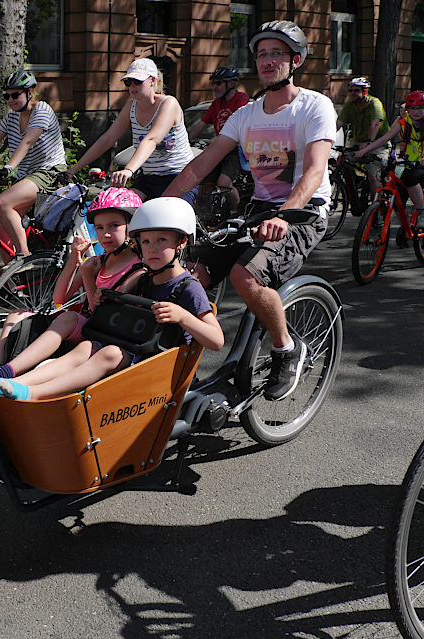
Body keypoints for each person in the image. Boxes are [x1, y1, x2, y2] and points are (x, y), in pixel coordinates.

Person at [162, 20, 335, 401]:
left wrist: (284, 216)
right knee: (192, 274)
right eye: (261, 54)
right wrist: (158, 207)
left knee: (245, 276)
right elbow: (200, 164)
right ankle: (172, 364)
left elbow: (314, 170)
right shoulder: (246, 115)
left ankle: (285, 348)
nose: (267, 60)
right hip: (259, 208)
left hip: (303, 212)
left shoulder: (314, 106)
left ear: (296, 60)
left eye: (276, 53)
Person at [0, 197, 223, 401]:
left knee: (110, 353)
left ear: (181, 242)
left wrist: (183, 316)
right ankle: (14, 382)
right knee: (86, 347)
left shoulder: (188, 288)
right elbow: (109, 310)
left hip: (158, 363)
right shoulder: (145, 279)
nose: (152, 248)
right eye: (146, 241)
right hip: (135, 348)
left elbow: (217, 341)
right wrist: (104, 295)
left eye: (161, 240)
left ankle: (34, 393)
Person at [0, 187, 145, 371]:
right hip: (83, 328)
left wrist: (88, 277)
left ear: (131, 228)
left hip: (99, 334)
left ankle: (10, 371)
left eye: (114, 226)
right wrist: (74, 260)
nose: (105, 233)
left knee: (69, 317)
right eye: (99, 227)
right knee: (16, 315)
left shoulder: (136, 269)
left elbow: (101, 315)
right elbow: (59, 299)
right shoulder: (97, 261)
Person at [0, 69, 66, 260]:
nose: (10, 100)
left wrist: (8, 167)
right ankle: (12, 285)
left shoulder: (42, 110)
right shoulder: (12, 117)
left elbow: (28, 141)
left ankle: (25, 259)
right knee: (1, 232)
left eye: (15, 95)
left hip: (49, 172)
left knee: (2, 202)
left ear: (29, 93)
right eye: (6, 96)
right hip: (27, 176)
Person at [64, 58, 198, 204]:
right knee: (118, 207)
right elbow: (107, 139)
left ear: (152, 80)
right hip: (149, 178)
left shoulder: (169, 103)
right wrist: (73, 170)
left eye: (138, 81)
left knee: (163, 216)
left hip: (179, 176)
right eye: (128, 82)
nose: (132, 86)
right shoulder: (131, 107)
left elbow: (152, 140)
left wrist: (129, 170)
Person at [356, 90, 424, 228]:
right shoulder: (403, 122)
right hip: (408, 163)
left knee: (410, 178)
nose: (416, 112)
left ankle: (422, 214)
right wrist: (364, 150)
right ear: (407, 109)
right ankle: (406, 228)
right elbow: (385, 138)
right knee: (396, 194)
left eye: (420, 108)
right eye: (412, 108)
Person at [188, 65, 250, 210]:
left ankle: (238, 211)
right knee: (203, 182)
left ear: (232, 83)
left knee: (223, 183)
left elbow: (239, 122)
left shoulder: (241, 99)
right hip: (218, 150)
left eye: (219, 83)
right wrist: (186, 140)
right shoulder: (216, 104)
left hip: (235, 150)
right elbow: (201, 125)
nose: (215, 87)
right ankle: (205, 217)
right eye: (214, 83)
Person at [336, 77, 390, 193]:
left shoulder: (374, 103)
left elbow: (375, 124)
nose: (353, 93)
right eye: (351, 91)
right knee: (342, 162)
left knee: (373, 174)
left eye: (356, 91)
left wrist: (369, 142)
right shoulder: (350, 106)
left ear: (365, 91)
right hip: (358, 143)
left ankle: (377, 207)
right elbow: (338, 124)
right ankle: (354, 188)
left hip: (377, 144)